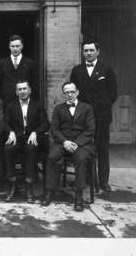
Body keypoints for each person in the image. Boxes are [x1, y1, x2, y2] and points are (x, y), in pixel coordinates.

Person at [70, 40, 117, 192]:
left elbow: (113, 93)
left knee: (102, 148)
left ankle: (103, 181)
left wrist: (102, 106)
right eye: (86, 51)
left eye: (91, 50)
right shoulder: (77, 70)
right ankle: (88, 179)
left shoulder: (106, 69)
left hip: (101, 116)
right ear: (82, 52)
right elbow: (73, 92)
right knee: (84, 147)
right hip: (83, 118)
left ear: (98, 51)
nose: (88, 53)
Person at [41, 82, 95, 212]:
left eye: (72, 92)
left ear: (77, 92)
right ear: (63, 94)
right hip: (62, 142)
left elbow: (90, 130)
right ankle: (50, 191)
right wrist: (65, 142)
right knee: (52, 156)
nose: (69, 95)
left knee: (81, 158)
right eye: (66, 92)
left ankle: (79, 195)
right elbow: (54, 129)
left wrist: (77, 143)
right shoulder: (59, 109)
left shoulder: (87, 108)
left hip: (80, 144)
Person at [3, 80, 49, 203]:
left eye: (24, 89)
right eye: (19, 89)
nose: (22, 91)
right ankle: (12, 185)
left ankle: (29, 186)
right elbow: (5, 122)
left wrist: (35, 132)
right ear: (16, 92)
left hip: (31, 138)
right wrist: (11, 132)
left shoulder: (38, 105)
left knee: (31, 149)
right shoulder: (11, 105)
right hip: (16, 138)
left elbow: (45, 123)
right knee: (8, 149)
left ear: (30, 90)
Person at [0, 34, 39, 106]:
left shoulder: (30, 63)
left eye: (17, 46)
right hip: (7, 101)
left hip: (25, 100)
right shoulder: (2, 63)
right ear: (9, 47)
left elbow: (34, 83)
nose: (15, 49)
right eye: (12, 46)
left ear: (22, 46)